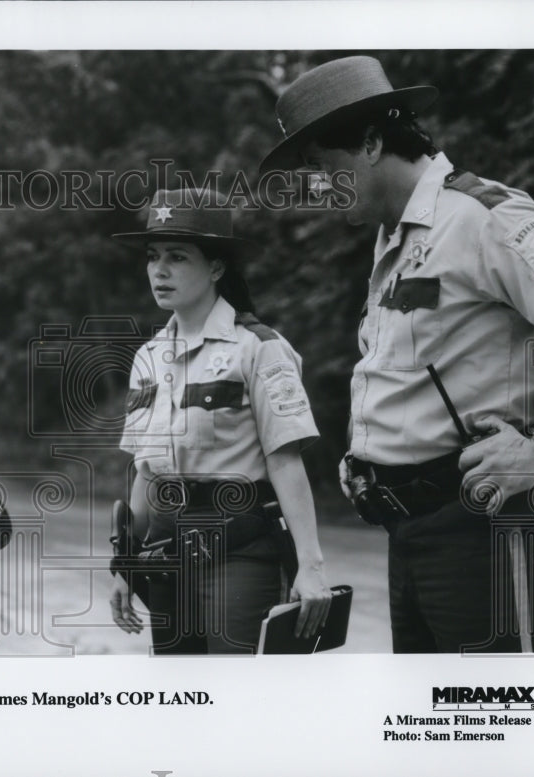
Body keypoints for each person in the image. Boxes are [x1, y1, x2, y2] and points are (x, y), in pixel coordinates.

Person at [259, 55, 534, 653]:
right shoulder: (396, 240)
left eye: (325, 168)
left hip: (484, 524)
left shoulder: (483, 217)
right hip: (412, 533)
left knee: (499, 729)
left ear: (373, 142)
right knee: (433, 731)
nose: (318, 188)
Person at [107, 187, 332, 654]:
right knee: (180, 700)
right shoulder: (148, 357)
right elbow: (145, 471)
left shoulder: (259, 347)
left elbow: (286, 462)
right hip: (166, 555)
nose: (159, 270)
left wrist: (311, 566)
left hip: (239, 551)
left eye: (177, 257)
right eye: (152, 256)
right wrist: (125, 566)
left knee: (238, 695)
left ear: (216, 267)